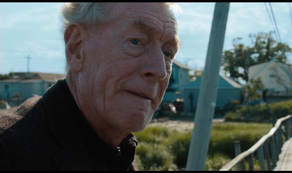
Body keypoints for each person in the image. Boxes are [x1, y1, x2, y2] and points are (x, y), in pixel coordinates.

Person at [0, 2, 180, 171]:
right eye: (136, 41)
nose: (160, 71)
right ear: (77, 48)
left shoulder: (119, 155)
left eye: (167, 53)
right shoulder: (10, 151)